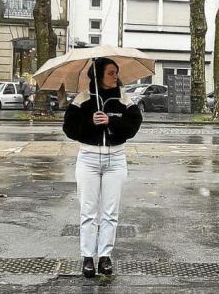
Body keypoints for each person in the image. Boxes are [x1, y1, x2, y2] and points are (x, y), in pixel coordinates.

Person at [62, 57, 143, 278]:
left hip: (115, 160)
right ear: (97, 75)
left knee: (110, 213)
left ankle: (105, 257)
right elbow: (69, 128)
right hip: (88, 158)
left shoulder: (124, 99)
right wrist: (91, 123)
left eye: (116, 72)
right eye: (110, 73)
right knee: (88, 211)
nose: (115, 76)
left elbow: (134, 126)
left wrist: (111, 122)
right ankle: (88, 258)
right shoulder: (83, 99)